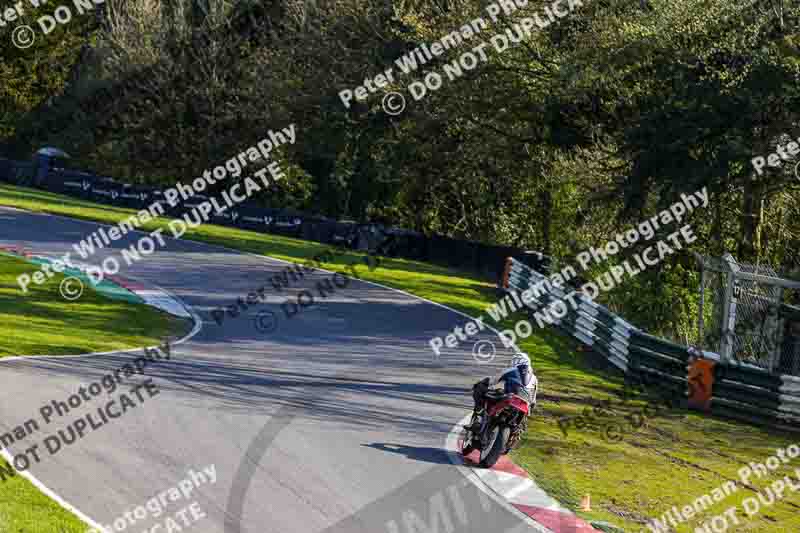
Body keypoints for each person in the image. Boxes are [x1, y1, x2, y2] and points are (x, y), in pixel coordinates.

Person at [467, 353, 537, 433]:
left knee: (481, 389)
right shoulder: (534, 378)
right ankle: (517, 431)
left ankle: (479, 417)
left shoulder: (511, 370)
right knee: (520, 428)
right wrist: (528, 412)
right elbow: (533, 401)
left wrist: (482, 382)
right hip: (525, 405)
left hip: (510, 397)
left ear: (517, 361)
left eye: (514, 361)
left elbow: (493, 381)